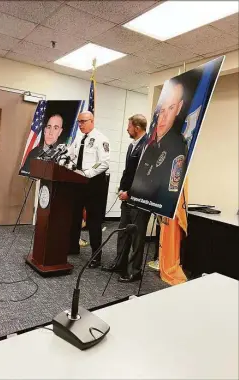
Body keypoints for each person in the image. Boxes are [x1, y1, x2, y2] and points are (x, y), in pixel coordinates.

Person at [102, 114, 151, 282]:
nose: (127, 129)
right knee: (123, 232)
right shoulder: (132, 145)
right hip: (127, 197)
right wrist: (122, 189)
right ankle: (119, 263)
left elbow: (144, 175)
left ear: (137, 127)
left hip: (140, 200)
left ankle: (134, 271)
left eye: (129, 126)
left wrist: (130, 193)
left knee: (137, 237)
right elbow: (129, 171)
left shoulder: (148, 145)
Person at [131, 81, 188, 218]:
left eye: (171, 108)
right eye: (161, 110)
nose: (163, 117)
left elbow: (171, 190)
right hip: (139, 200)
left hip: (158, 208)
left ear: (179, 108)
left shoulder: (178, 145)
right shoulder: (151, 142)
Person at [68, 111, 110, 268]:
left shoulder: (101, 139)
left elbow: (104, 162)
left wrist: (87, 174)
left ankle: (96, 256)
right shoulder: (79, 138)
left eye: (83, 121)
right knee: (74, 216)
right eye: (79, 122)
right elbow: (70, 153)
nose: (80, 124)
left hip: (94, 184)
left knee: (93, 222)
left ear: (92, 121)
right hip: (77, 183)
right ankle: (72, 247)